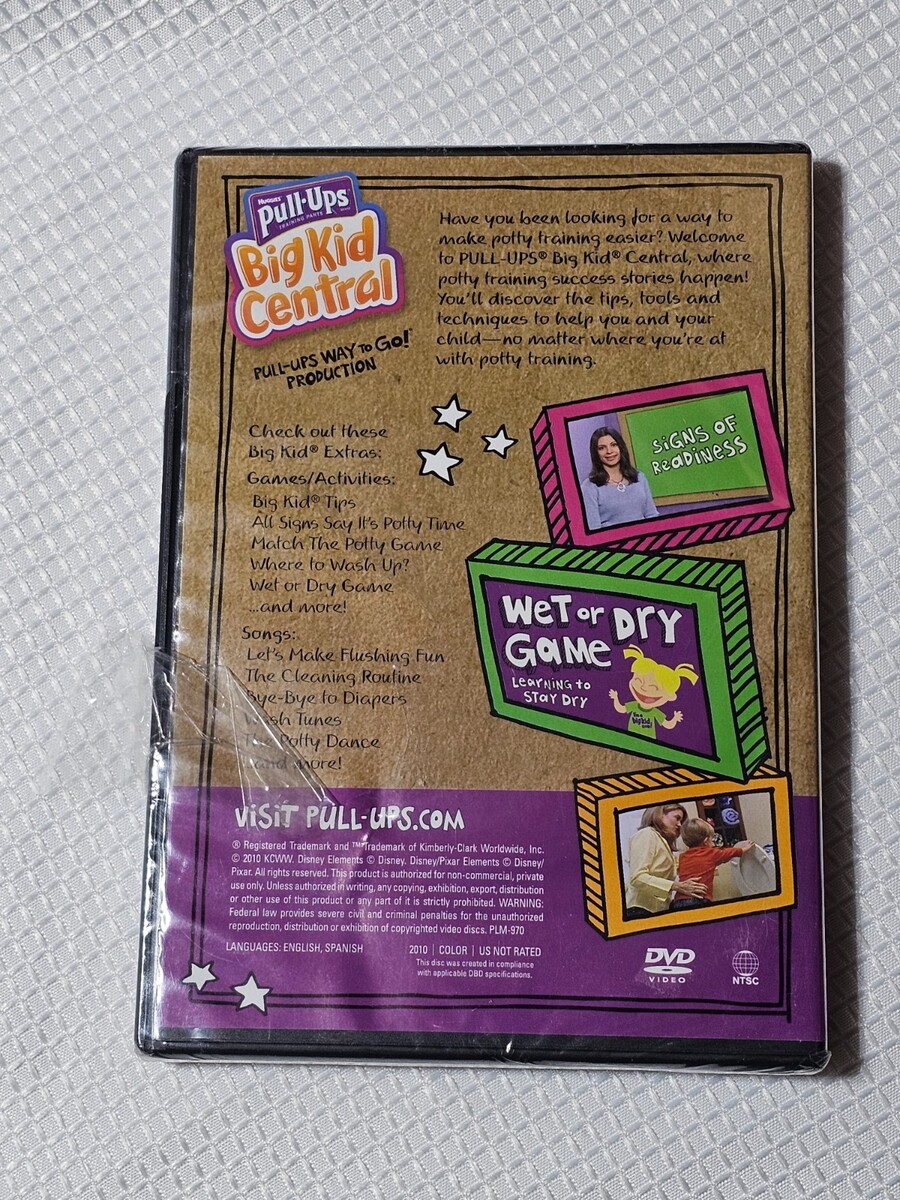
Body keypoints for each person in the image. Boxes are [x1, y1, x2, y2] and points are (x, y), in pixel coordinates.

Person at [624, 803, 707, 919]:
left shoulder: (663, 844)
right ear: (659, 814)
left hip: (655, 910)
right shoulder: (646, 834)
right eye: (677, 818)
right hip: (639, 910)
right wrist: (676, 886)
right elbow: (637, 878)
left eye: (681, 821)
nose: (679, 824)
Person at [609, 645, 698, 740]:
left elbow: (667, 724)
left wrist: (675, 718)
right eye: (638, 680)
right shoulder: (633, 705)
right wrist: (615, 698)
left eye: (653, 688)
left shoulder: (655, 712)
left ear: (670, 696)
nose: (643, 688)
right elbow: (621, 709)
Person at [580, 426, 658, 530]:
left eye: (613, 445)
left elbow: (652, 515)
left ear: (621, 447)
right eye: (602, 448)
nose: (609, 451)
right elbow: (593, 529)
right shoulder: (589, 487)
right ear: (595, 453)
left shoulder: (639, 477)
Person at [670, 818, 753, 910]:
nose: (713, 844)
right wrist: (745, 848)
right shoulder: (711, 853)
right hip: (699, 899)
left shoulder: (683, 856)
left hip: (679, 900)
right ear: (706, 841)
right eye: (711, 839)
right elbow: (730, 852)